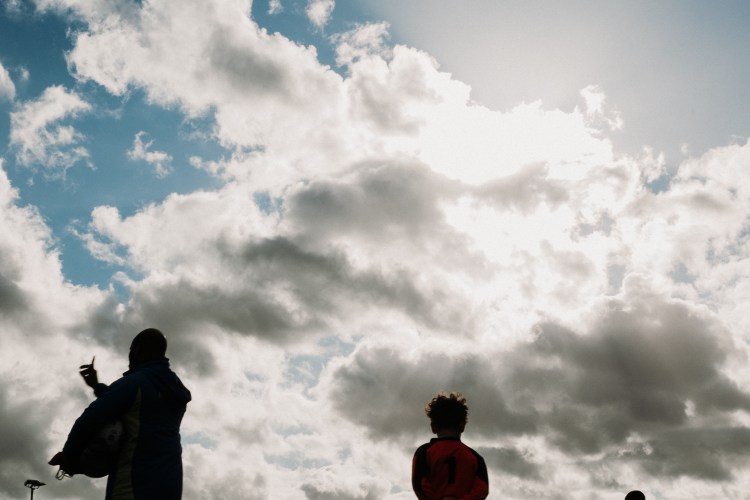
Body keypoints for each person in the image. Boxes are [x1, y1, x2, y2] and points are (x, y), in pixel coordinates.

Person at [51, 328, 192, 499]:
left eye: (131, 350)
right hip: (170, 486)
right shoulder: (174, 388)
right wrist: (97, 386)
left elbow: (87, 422)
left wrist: (69, 461)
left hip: (134, 485)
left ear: (137, 350)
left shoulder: (134, 383)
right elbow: (139, 405)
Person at [412, 392, 489, 499]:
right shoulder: (475, 458)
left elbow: (419, 485)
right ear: (462, 426)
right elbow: (482, 489)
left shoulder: (423, 452)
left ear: (433, 427)